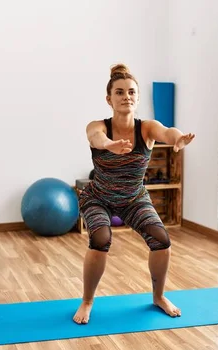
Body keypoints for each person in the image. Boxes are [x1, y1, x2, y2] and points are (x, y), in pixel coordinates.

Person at [73, 63, 195, 324]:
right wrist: (110, 145)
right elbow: (95, 138)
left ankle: (159, 296)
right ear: (109, 99)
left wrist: (177, 139)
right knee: (101, 238)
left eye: (131, 92)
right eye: (119, 92)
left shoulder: (147, 128)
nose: (125, 96)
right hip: (98, 197)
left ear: (137, 98)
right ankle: (87, 301)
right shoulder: (99, 126)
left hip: (133, 198)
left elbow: (166, 131)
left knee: (161, 240)